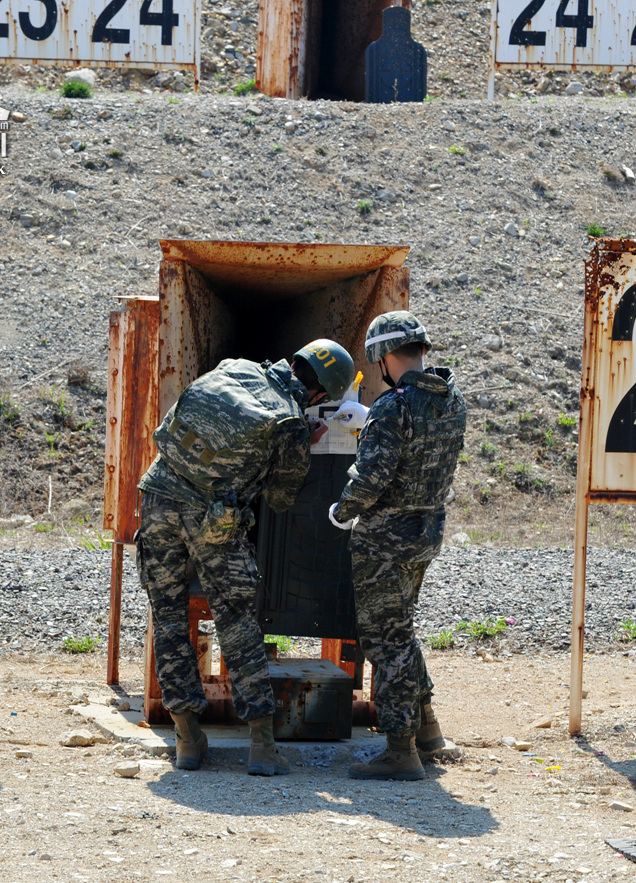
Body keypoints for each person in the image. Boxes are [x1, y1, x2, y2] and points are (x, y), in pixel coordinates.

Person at [137, 339, 356, 776]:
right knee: (237, 622)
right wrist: (301, 448)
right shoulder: (292, 422)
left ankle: (187, 739)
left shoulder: (235, 365)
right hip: (214, 520)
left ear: (297, 361)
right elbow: (280, 498)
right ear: (319, 396)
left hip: (158, 496)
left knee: (167, 615)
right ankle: (262, 742)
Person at [327, 312, 467, 781]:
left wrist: (341, 509)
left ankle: (399, 749)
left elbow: (370, 480)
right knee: (402, 630)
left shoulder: (394, 407)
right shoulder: (453, 400)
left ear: (383, 357)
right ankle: (426, 730)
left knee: (386, 642)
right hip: (425, 533)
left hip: (384, 542)